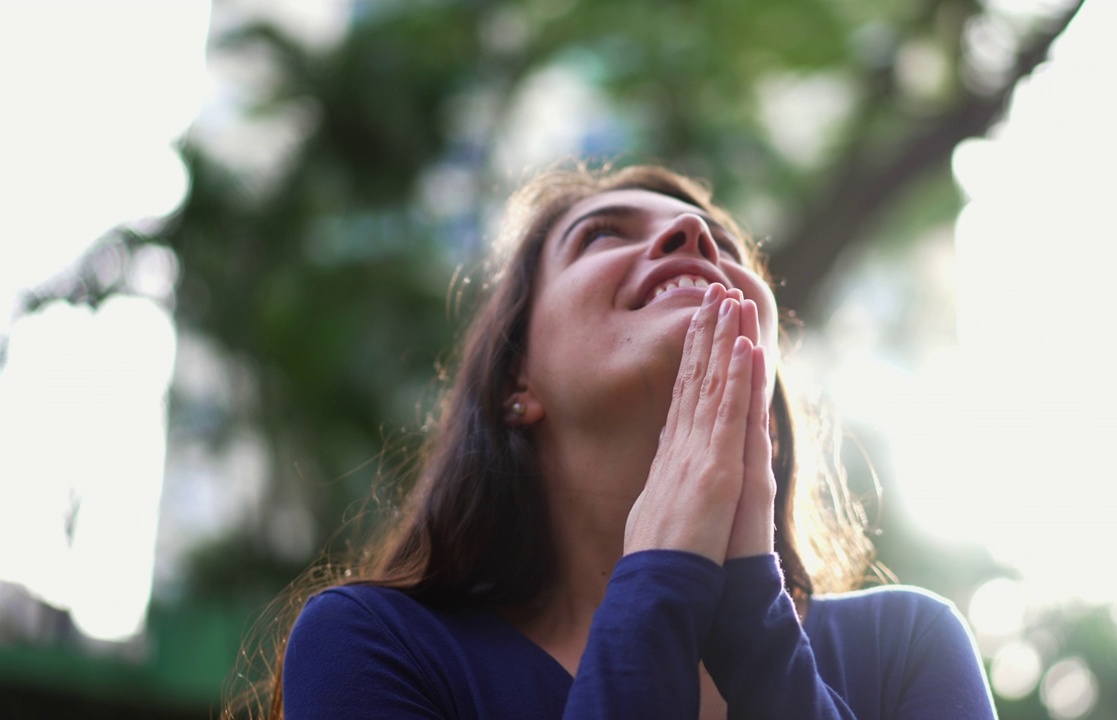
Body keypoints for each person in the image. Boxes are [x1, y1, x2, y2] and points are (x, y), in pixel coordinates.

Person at [248, 164, 996, 719]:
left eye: (724, 244)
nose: (691, 233)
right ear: (518, 383)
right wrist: (660, 580)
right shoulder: (375, 646)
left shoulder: (905, 648)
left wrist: (754, 629)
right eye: (602, 235)